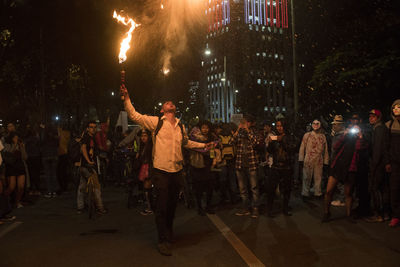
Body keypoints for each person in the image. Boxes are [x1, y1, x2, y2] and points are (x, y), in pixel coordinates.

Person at [121, 84, 211, 256]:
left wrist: (203, 145)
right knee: (161, 206)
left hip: (176, 171)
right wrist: (126, 97)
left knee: (172, 206)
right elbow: (134, 115)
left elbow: (186, 143)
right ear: (163, 110)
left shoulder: (181, 126)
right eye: (166, 102)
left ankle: (168, 232)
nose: (170, 102)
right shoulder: (156, 123)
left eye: (172, 102)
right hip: (160, 171)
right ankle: (162, 240)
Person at [322, 116, 368, 222]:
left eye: (356, 128)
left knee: (348, 193)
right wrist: (344, 135)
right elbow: (335, 147)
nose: (353, 130)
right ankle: (326, 212)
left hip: (350, 168)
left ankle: (348, 215)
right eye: (352, 127)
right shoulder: (344, 136)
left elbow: (361, 148)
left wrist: (360, 136)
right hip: (338, 165)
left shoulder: (361, 138)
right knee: (329, 191)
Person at [231, 116, 261, 218]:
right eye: (243, 122)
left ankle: (255, 208)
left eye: (246, 122)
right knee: (242, 189)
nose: (244, 124)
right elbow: (231, 141)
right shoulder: (239, 133)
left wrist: (248, 131)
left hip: (251, 164)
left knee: (254, 188)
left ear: (251, 123)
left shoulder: (254, 132)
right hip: (240, 164)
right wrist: (237, 130)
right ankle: (245, 208)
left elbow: (256, 142)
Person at [266, 120, 296, 216]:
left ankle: (285, 208)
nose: (279, 128)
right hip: (275, 166)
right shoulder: (274, 137)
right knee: (271, 189)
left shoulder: (290, 137)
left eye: (281, 126)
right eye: (278, 126)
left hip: (287, 167)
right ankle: (269, 210)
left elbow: (291, 149)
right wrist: (271, 142)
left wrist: (282, 140)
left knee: (286, 189)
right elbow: (270, 150)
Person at [76, 121, 107, 215]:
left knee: (82, 186)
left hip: (83, 167)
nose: (93, 129)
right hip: (88, 166)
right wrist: (88, 161)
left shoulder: (91, 138)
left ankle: (80, 207)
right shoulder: (86, 137)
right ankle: (100, 208)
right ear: (87, 128)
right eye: (91, 127)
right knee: (97, 187)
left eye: (94, 127)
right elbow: (83, 148)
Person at [188, 121, 217, 216]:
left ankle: (208, 206)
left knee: (210, 187)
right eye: (203, 127)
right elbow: (190, 147)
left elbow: (212, 149)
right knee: (198, 188)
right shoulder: (193, 138)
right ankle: (200, 207)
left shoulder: (212, 137)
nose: (205, 130)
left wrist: (213, 159)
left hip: (208, 165)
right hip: (197, 165)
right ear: (200, 128)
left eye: (207, 128)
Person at [299, 119, 329, 200]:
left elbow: (325, 150)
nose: (315, 125)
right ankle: (305, 193)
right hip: (308, 159)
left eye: (317, 123)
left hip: (319, 160)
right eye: (314, 123)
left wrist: (326, 161)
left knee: (318, 177)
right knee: (306, 177)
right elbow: (302, 147)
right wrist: (301, 159)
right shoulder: (307, 135)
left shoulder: (323, 136)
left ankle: (317, 192)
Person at [385, 99, 400, 227]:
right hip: (395, 163)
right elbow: (386, 146)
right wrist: (388, 162)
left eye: (398, 107)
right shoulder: (389, 125)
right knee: (394, 189)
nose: (396, 109)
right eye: (394, 107)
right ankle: (396, 215)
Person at [3, 132, 27, 208]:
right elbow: (8, 154)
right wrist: (15, 145)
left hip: (20, 165)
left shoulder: (20, 145)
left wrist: (22, 147)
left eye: (17, 137)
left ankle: (17, 202)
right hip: (11, 166)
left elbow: (25, 157)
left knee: (21, 187)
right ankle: (3, 201)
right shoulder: (7, 144)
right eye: (15, 137)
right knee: (11, 187)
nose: (16, 139)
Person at [329, 115, 346, 207]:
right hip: (336, 161)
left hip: (339, 162)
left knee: (340, 181)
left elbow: (336, 149)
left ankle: (342, 199)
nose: (333, 126)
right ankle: (342, 198)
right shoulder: (337, 135)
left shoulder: (341, 136)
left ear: (340, 126)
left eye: (335, 125)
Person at [136, 129, 154, 215]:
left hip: (149, 168)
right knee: (146, 188)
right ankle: (149, 207)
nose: (143, 138)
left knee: (147, 188)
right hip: (145, 168)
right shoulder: (143, 146)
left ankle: (150, 208)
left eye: (145, 136)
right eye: (142, 136)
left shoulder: (150, 146)